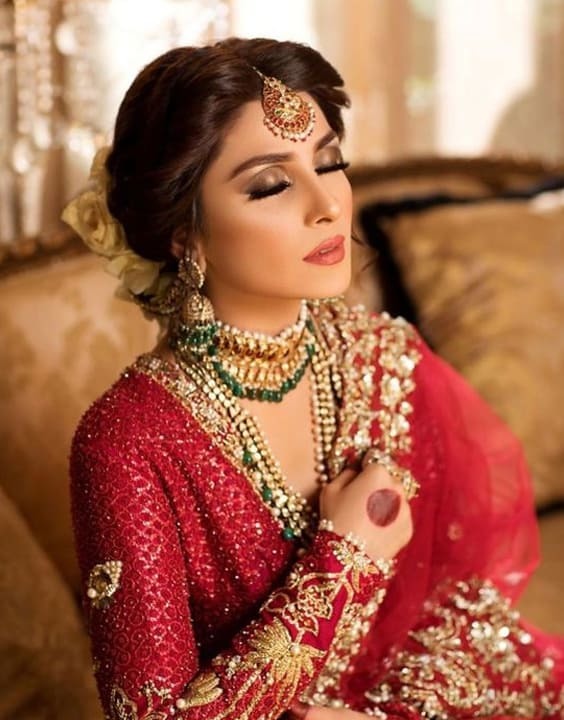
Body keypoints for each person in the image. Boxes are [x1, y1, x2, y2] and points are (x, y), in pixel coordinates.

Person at [63, 38, 564, 720]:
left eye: (330, 162)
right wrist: (348, 555)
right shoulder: (128, 443)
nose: (327, 203)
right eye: (271, 184)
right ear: (184, 232)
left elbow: (459, 610)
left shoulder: (384, 361)